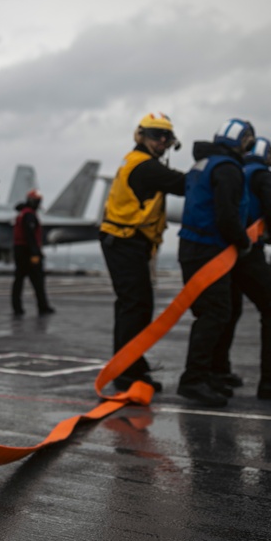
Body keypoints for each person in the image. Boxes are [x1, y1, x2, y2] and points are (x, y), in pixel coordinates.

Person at [211, 138, 271, 401]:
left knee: (229, 311)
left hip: (225, 253)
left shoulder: (234, 172)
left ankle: (219, 372)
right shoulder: (264, 177)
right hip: (249, 253)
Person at [99, 112, 185, 394]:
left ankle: (130, 363)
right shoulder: (145, 166)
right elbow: (183, 184)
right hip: (124, 241)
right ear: (141, 136)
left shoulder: (138, 161)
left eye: (166, 137)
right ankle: (125, 373)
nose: (162, 141)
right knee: (135, 306)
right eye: (156, 135)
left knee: (134, 306)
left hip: (130, 242)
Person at [176, 119, 256, 408]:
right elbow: (226, 214)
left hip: (193, 247)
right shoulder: (228, 169)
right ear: (242, 142)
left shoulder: (205, 163)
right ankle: (194, 380)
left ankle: (208, 374)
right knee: (214, 314)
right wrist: (243, 241)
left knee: (213, 312)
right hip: (209, 250)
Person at [11, 189, 54, 315]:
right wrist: (35, 253)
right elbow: (30, 235)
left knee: (19, 279)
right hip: (27, 251)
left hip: (20, 250)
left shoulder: (22, 213)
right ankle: (42, 306)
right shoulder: (29, 215)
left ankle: (17, 308)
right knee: (37, 279)